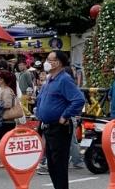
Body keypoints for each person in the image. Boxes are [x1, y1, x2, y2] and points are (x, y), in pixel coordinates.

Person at [33, 50, 86, 189]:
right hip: (47, 126)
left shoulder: (64, 79)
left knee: (59, 166)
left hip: (59, 127)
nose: (47, 63)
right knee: (52, 165)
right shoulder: (49, 79)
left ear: (58, 62)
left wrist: (65, 116)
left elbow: (79, 99)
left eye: (50, 60)